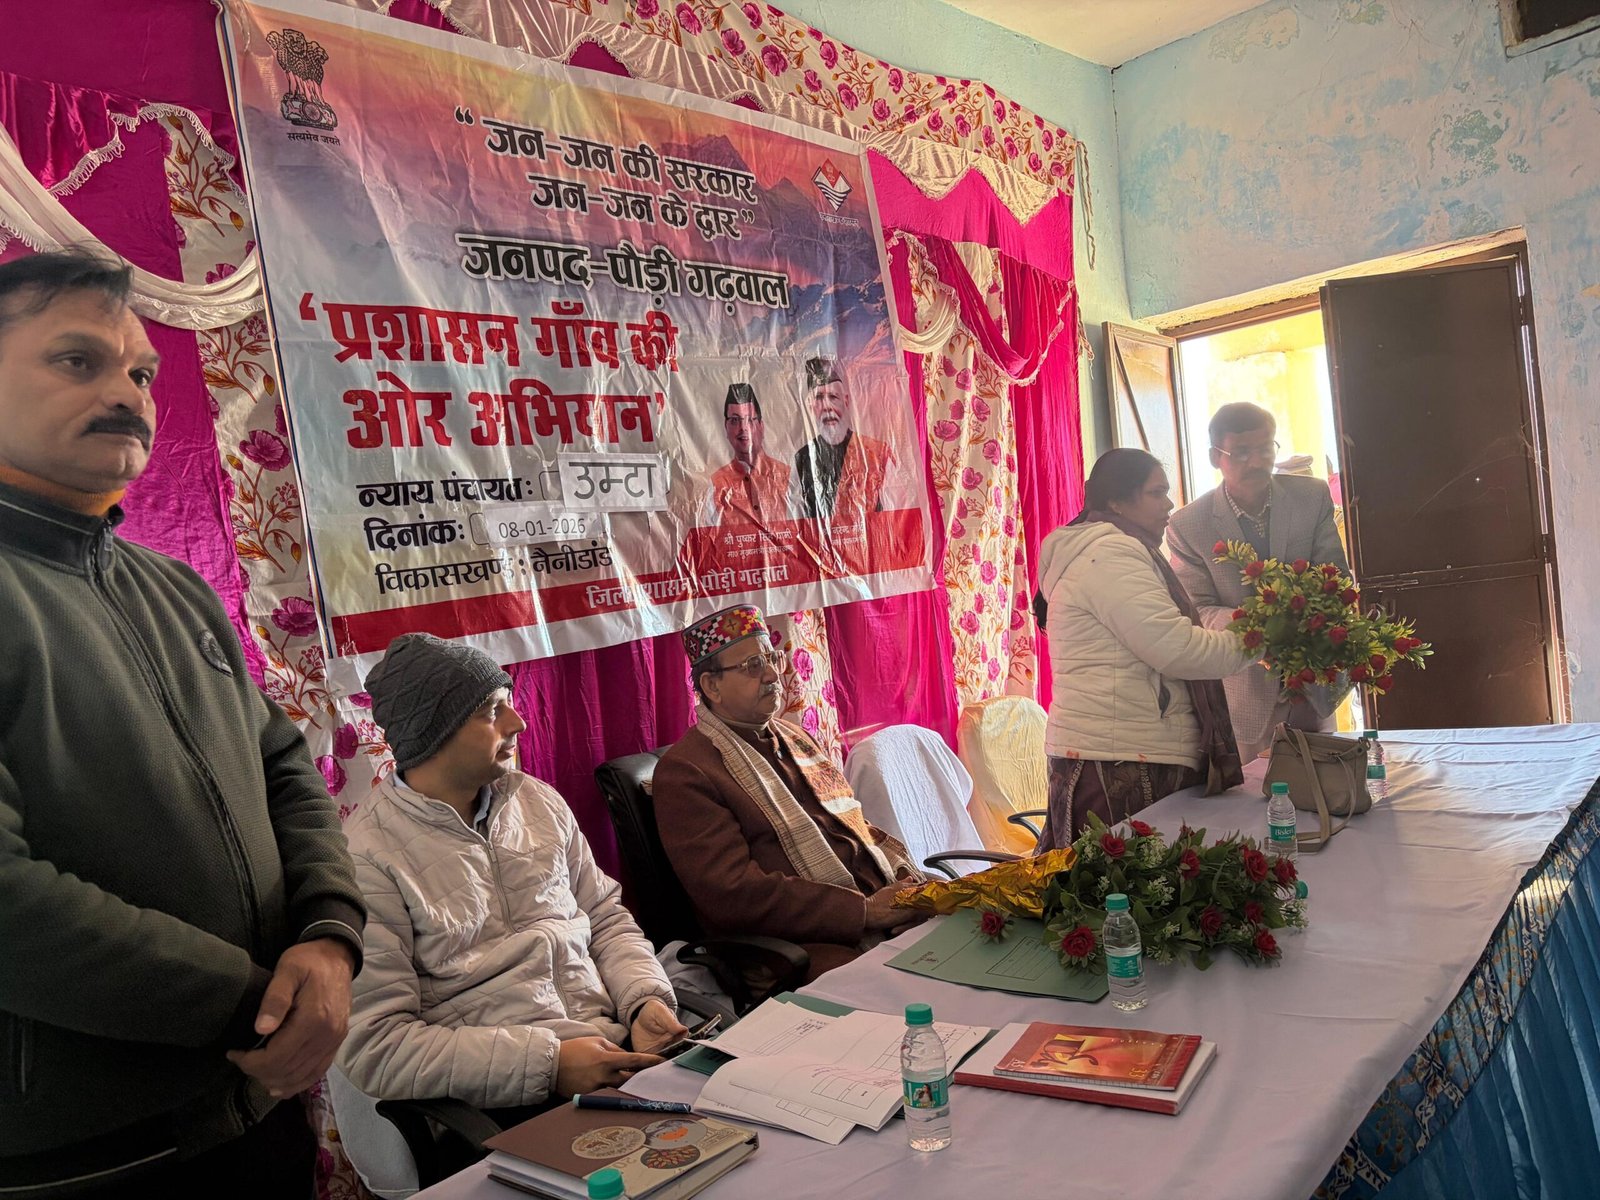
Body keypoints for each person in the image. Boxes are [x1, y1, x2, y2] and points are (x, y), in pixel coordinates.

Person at [0, 249, 365, 1197]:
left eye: (141, 372)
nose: (128, 393)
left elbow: (283, 766)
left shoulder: (174, 586)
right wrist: (257, 1006)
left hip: (250, 1114)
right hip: (83, 1158)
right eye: (76, 361)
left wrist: (329, 936)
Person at [340, 633, 681, 1123]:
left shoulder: (536, 801)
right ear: (433, 734)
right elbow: (376, 1046)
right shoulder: (368, 856)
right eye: (491, 711)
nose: (518, 722)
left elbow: (605, 919)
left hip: (620, 1052)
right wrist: (551, 1065)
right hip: (515, 1099)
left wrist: (643, 999)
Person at [653, 605, 925, 982]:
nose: (771, 675)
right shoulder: (688, 771)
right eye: (752, 665)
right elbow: (733, 895)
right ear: (711, 686)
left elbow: (855, 827)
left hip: (878, 911)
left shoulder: (795, 738)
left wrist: (907, 889)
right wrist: (864, 912)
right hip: (805, 945)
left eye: (772, 658)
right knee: (919, 985)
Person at [1034, 449, 1254, 849]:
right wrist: (1259, 637)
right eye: (1156, 493)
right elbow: (1179, 649)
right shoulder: (1110, 554)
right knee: (1129, 883)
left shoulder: (1113, 550)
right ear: (1117, 502)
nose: (1168, 504)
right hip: (1120, 757)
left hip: (1121, 749)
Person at [1167, 402, 1350, 760]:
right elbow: (1198, 608)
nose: (1256, 461)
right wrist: (1261, 629)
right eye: (1241, 452)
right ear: (1214, 457)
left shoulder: (1311, 497)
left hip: (1314, 679)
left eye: (1265, 449)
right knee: (1256, 792)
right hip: (1245, 691)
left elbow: (1336, 578)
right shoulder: (1188, 525)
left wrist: (1303, 621)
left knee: (1326, 782)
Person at [792, 356, 894, 523]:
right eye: (819, 397)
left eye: (833, 397)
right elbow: (796, 516)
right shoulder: (801, 459)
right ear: (810, 404)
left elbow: (894, 514)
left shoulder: (875, 452)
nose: (827, 406)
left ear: (845, 401)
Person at [700, 383, 793, 526]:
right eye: (735, 420)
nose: (743, 428)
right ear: (726, 427)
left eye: (749, 419)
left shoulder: (787, 476)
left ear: (761, 426)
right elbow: (708, 532)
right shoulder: (716, 484)